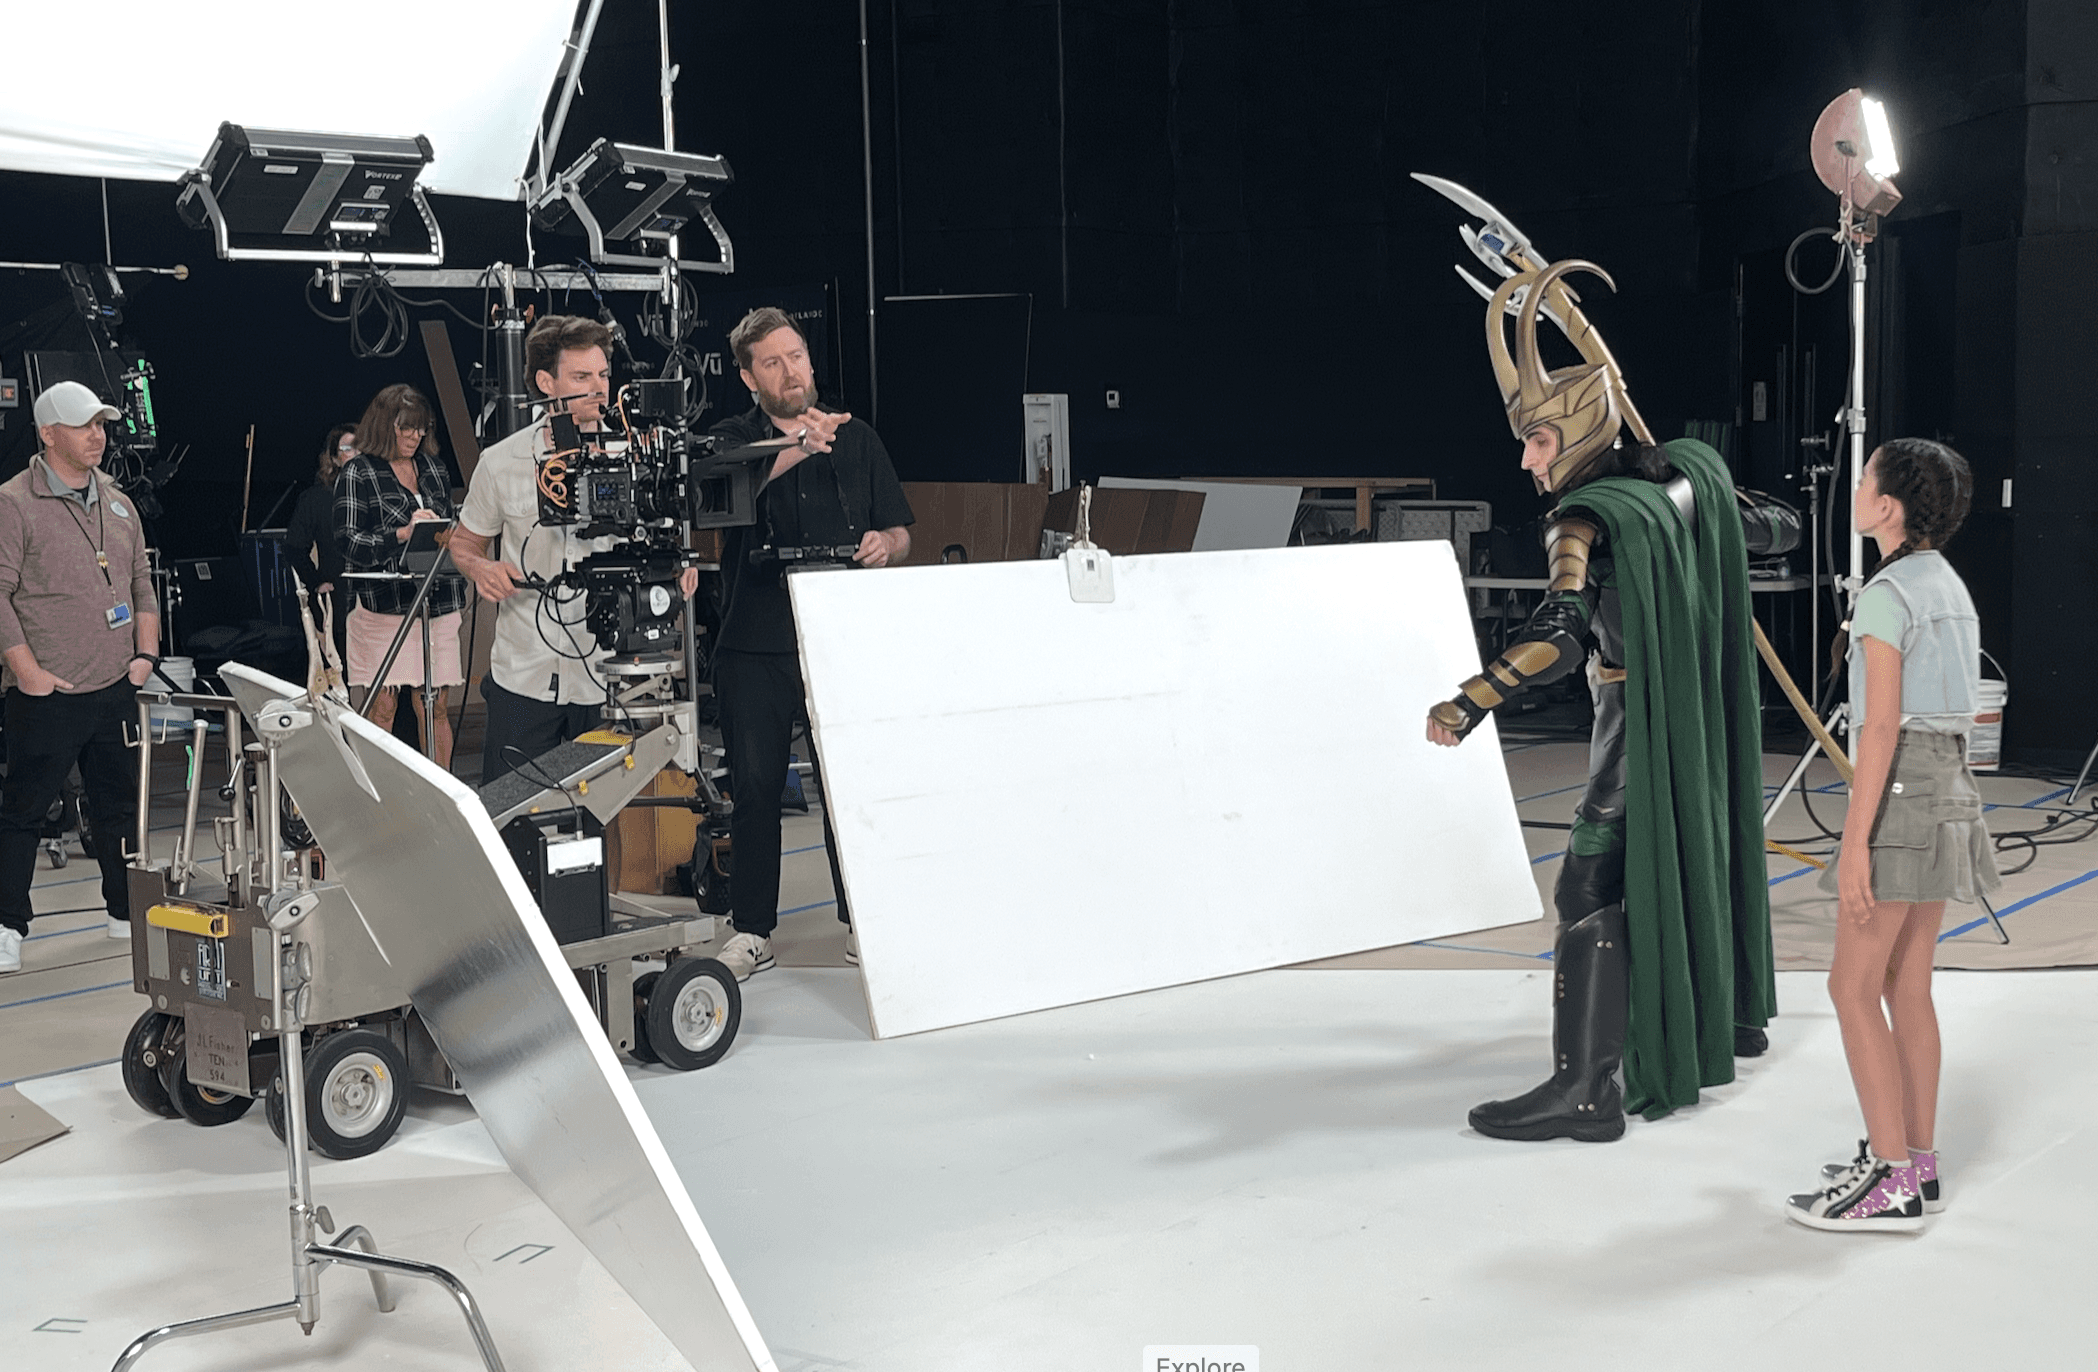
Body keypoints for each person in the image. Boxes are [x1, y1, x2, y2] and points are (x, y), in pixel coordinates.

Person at [1425, 258, 1775, 1141]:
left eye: (1539, 440)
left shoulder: (1582, 519)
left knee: (1586, 888)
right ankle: (1725, 1020)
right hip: (1696, 727)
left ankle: (1585, 1089)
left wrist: (1471, 699)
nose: (1527, 459)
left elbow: (1556, 637)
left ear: (1580, 428)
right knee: (1689, 856)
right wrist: (1698, 498)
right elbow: (1778, 527)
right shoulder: (1686, 481)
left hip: (1636, 735)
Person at [1785, 439, 1997, 1233]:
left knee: (1851, 987)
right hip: (1951, 789)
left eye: (1864, 477)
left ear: (1887, 506)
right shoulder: (1949, 585)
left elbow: (1879, 730)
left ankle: (1891, 1177)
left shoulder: (1887, 594)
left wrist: (1853, 844)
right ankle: (1917, 1161)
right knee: (1907, 986)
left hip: (1902, 792)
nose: (1855, 488)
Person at [705, 307, 914, 980]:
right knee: (757, 786)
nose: (790, 371)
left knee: (848, 785)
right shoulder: (734, 438)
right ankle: (752, 930)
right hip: (754, 640)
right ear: (749, 378)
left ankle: (860, 920)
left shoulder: (858, 438)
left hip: (841, 641)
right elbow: (723, 493)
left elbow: (900, 530)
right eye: (772, 362)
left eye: (796, 356)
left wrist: (887, 544)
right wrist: (799, 444)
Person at [447, 315, 699, 783]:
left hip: (612, 677)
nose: (599, 388)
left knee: (608, 817)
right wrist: (481, 568)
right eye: (582, 377)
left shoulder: (639, 457)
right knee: (513, 813)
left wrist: (679, 569)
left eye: (603, 375)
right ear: (547, 383)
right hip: (523, 675)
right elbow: (463, 543)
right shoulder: (501, 462)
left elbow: (668, 542)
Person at [0, 381, 161, 974]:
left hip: (116, 686)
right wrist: (28, 672)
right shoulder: (13, 503)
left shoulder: (118, 503)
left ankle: (124, 911)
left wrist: (146, 655)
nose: (98, 435)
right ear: (48, 434)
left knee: (119, 807)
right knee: (24, 811)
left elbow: (140, 581)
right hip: (49, 693)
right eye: (84, 425)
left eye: (101, 425)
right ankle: (7, 925)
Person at [334, 385, 467, 768]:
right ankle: (381, 791)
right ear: (384, 425)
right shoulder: (359, 471)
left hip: (437, 601)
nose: (415, 436)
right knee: (383, 707)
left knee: (435, 705)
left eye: (421, 428)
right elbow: (348, 541)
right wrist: (403, 534)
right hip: (385, 608)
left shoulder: (434, 468)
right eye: (406, 428)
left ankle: (441, 789)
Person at [286, 424, 354, 666]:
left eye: (363, 448)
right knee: (339, 669)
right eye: (348, 448)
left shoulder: (380, 494)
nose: (357, 454)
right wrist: (316, 582)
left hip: (378, 602)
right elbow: (294, 547)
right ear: (334, 458)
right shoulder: (316, 498)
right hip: (338, 600)